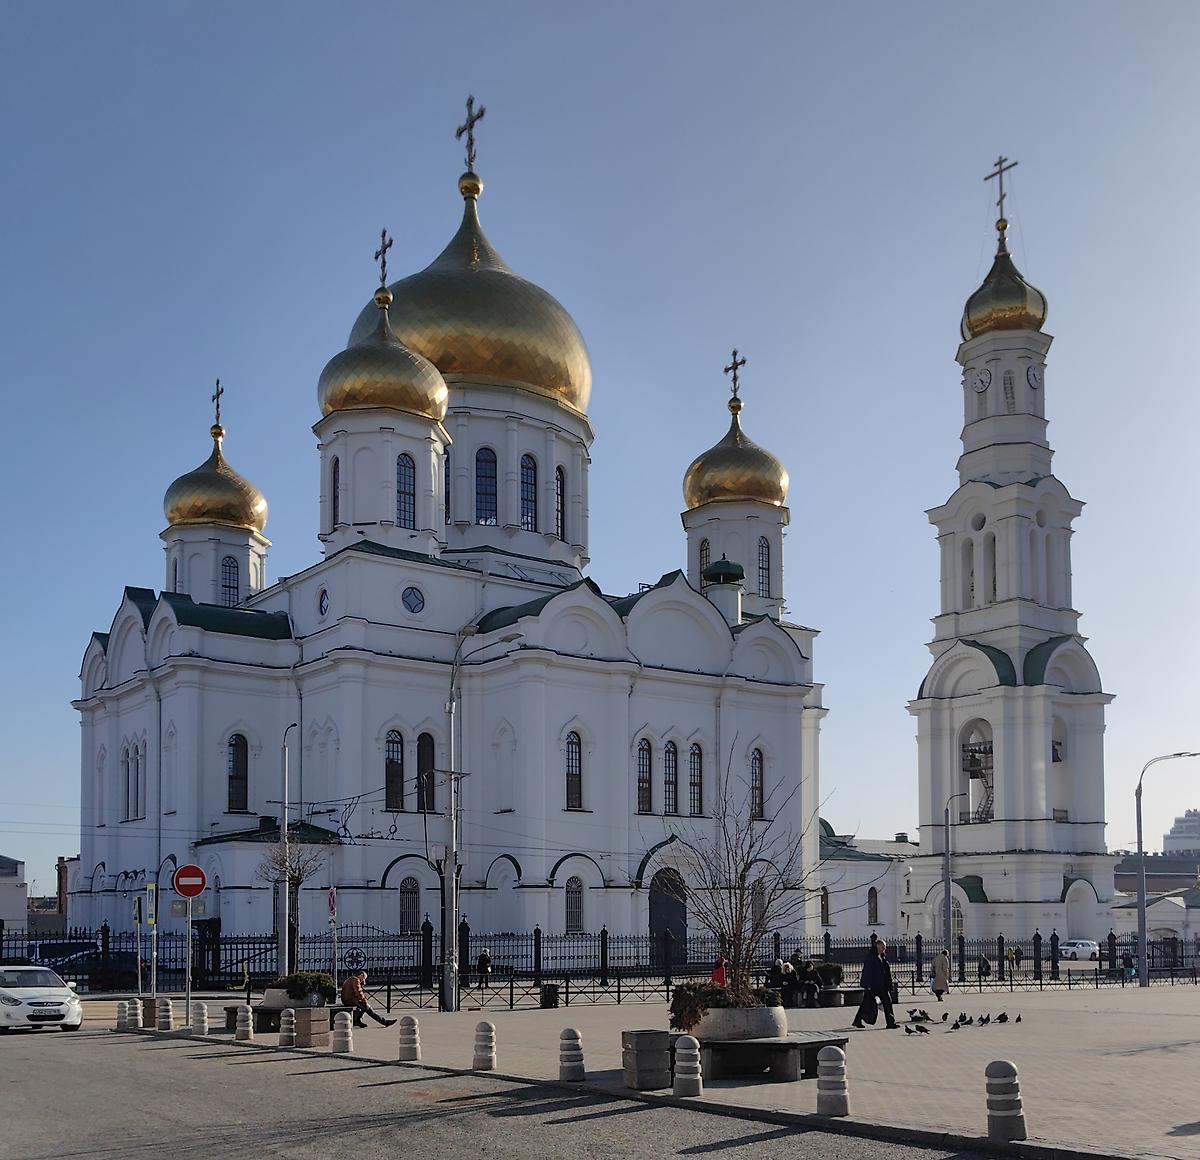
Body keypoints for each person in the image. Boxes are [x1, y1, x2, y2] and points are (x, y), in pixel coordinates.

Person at [853, 939, 898, 1030]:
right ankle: (857, 1021)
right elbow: (867, 972)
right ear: (878, 946)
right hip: (873, 985)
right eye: (883, 947)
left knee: (887, 1003)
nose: (884, 949)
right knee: (866, 1003)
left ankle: (891, 1023)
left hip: (882, 985)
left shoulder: (881, 956)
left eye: (885, 947)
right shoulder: (871, 957)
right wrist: (867, 985)